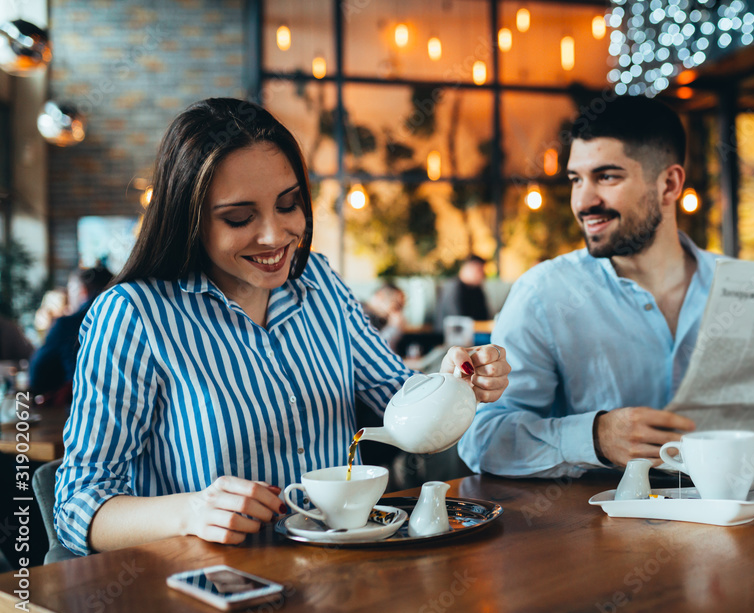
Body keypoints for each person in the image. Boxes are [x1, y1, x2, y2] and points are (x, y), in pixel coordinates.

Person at [54, 99, 510, 557]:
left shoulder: (320, 282)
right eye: (239, 217)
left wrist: (453, 385)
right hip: (217, 591)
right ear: (188, 218)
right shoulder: (135, 315)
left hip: (338, 574)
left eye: (289, 205)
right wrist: (190, 511)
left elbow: (397, 398)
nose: (275, 236)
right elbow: (77, 506)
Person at [458, 96, 754, 478]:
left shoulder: (750, 291)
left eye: (606, 177)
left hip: (733, 533)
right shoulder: (543, 294)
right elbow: (481, 441)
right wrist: (594, 437)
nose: (583, 201)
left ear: (669, 184)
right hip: (595, 545)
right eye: (576, 179)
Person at [29, 265, 114, 399]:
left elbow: (73, 376)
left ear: (83, 291)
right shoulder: (119, 319)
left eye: (71, 290)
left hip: (57, 406)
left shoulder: (69, 324)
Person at [434, 256, 491, 331]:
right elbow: (458, 320)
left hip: (473, 335)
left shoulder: (477, 289)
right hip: (450, 337)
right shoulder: (452, 288)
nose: (483, 275)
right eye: (479, 270)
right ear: (467, 268)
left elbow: (485, 317)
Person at [363, 283, 407, 354]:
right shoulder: (362, 315)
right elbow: (374, 350)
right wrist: (393, 327)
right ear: (380, 296)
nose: (398, 312)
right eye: (396, 306)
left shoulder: (380, 318)